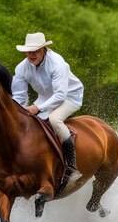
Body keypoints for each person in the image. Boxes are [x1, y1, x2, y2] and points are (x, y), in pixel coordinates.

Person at [12, 32, 84, 184]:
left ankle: (72, 167)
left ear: (43, 49)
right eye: (29, 51)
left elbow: (60, 95)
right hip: (45, 99)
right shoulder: (21, 68)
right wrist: (16, 112)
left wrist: (37, 108)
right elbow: (19, 97)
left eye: (36, 51)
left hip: (70, 96)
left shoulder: (57, 63)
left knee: (54, 120)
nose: (32, 55)